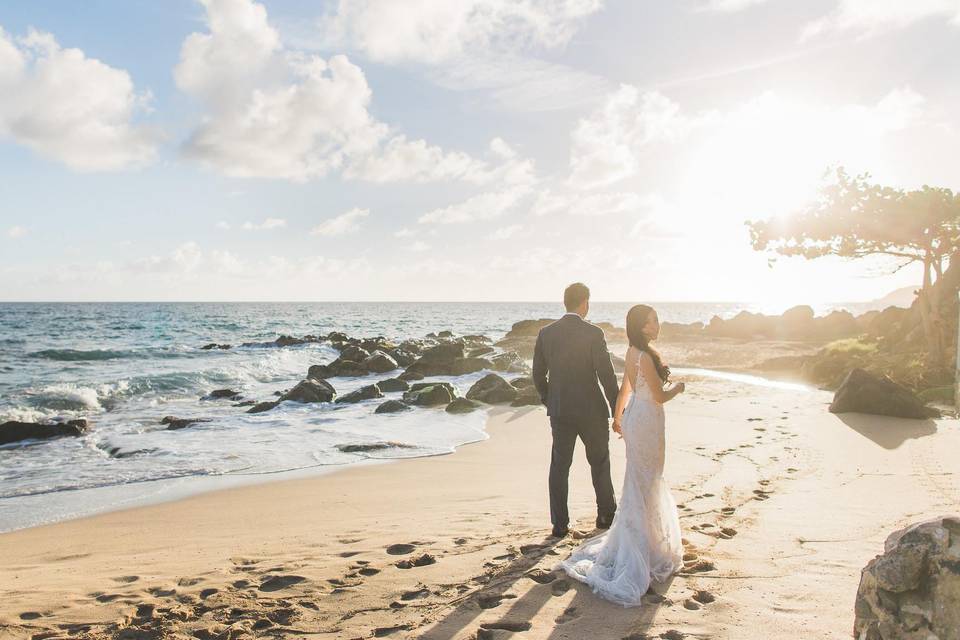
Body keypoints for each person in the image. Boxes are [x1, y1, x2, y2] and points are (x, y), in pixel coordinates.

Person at [560, 303, 686, 606]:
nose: (658, 324)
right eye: (654, 320)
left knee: (640, 479)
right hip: (647, 420)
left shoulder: (632, 352)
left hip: (636, 417)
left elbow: (625, 390)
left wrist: (618, 418)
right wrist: (679, 388)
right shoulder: (644, 355)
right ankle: (644, 548)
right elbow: (658, 395)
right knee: (649, 478)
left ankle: (644, 540)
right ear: (642, 326)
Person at [533, 282, 619, 539]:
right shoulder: (594, 333)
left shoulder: (546, 333)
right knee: (600, 463)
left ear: (565, 303)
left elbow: (538, 374)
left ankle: (560, 525)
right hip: (592, 409)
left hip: (561, 411)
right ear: (584, 303)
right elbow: (606, 374)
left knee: (560, 466)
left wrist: (551, 400)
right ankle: (605, 516)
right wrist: (617, 409)